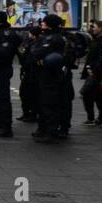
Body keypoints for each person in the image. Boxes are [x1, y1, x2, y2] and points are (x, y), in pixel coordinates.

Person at [32, 13, 74, 143]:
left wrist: (37, 57)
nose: (42, 24)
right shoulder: (60, 37)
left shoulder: (53, 39)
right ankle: (45, 129)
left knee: (49, 104)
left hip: (50, 76)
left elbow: (37, 53)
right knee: (46, 103)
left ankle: (51, 131)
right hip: (52, 75)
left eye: (44, 22)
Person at [80, 21, 102, 124]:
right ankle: (100, 117)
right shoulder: (97, 39)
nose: (92, 29)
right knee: (96, 95)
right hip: (95, 71)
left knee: (89, 93)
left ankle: (100, 117)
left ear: (101, 28)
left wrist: (93, 69)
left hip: (98, 72)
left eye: (94, 27)